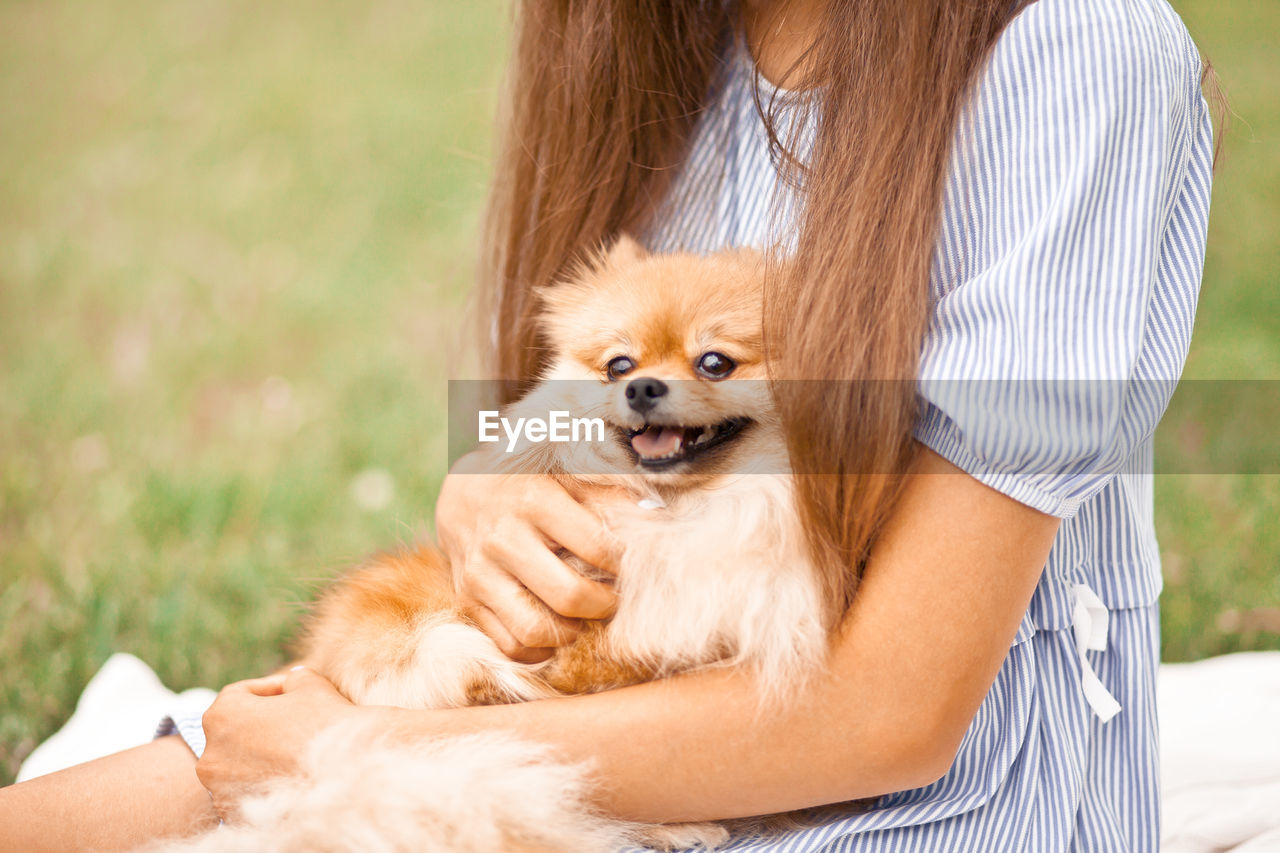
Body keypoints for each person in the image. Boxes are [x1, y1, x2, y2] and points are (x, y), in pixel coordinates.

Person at [0, 0, 1216, 850]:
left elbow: (891, 711)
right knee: (194, 763)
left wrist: (363, 752)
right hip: (584, 730)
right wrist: (489, 482)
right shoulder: (661, 41)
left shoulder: (1071, 52)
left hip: (911, 813)